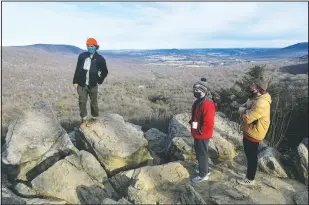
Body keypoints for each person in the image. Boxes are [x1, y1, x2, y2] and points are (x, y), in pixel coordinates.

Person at [237, 77, 272, 185]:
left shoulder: (261, 103)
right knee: (249, 154)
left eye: (253, 85)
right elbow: (245, 106)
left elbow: (247, 118)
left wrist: (242, 110)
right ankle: (249, 171)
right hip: (250, 130)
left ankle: (250, 178)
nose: (251, 86)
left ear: (258, 88)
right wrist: (245, 109)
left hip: (254, 133)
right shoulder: (256, 98)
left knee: (251, 156)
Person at [73, 37, 108, 128]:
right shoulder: (82, 56)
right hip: (82, 84)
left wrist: (99, 80)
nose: (90, 48)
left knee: (94, 102)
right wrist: (75, 81)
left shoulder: (100, 59)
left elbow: (105, 71)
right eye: (88, 46)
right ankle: (84, 120)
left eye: (92, 46)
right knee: (82, 102)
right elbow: (77, 69)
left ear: (96, 47)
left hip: (92, 84)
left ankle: (94, 118)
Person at [189, 78, 217, 183]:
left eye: (197, 90)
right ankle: (205, 169)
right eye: (194, 90)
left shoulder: (207, 104)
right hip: (198, 132)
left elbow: (208, 122)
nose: (195, 92)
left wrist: (201, 131)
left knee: (202, 153)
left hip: (202, 134)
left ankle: (203, 174)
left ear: (203, 91)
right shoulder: (199, 101)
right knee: (200, 151)